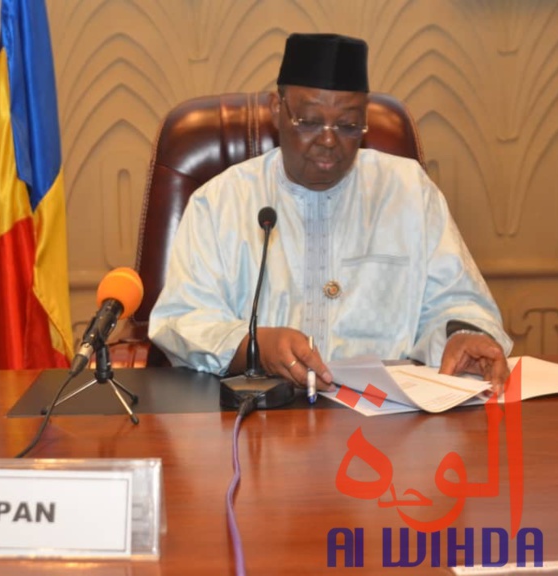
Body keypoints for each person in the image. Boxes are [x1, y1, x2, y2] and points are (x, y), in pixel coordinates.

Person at [148, 32, 512, 393]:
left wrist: (461, 337)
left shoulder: (409, 192)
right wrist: (256, 346)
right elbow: (182, 320)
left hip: (388, 416)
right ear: (277, 109)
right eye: (309, 121)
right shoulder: (221, 201)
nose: (328, 140)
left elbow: (456, 301)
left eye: (348, 126)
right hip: (262, 415)